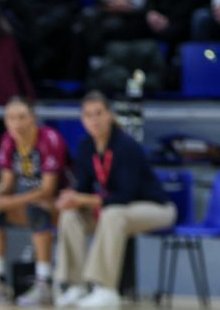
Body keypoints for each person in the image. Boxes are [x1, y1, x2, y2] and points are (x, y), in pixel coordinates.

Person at [54, 91, 175, 308]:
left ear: (110, 115)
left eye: (99, 113)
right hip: (117, 209)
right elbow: (82, 188)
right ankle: (76, 285)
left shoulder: (126, 145)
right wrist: (70, 198)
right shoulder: (85, 146)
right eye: (89, 115)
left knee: (112, 214)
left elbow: (125, 195)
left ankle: (106, 289)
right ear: (82, 119)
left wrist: (83, 199)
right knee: (70, 216)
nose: (94, 120)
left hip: (156, 208)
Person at [0, 98, 67, 306]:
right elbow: (7, 183)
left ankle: (44, 283)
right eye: (12, 118)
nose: (17, 123)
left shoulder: (49, 138)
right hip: (28, 202)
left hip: (60, 204)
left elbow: (47, 190)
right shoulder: (8, 140)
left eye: (22, 117)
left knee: (36, 210)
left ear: (33, 118)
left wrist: (10, 201)